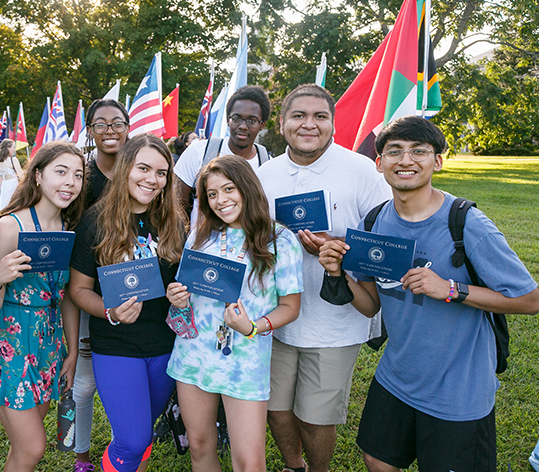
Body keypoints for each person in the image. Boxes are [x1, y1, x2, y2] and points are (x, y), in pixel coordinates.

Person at [318, 115, 539, 471]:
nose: (406, 160)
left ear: (437, 161)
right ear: (380, 163)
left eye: (418, 151)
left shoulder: (466, 222)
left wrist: (450, 289)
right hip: (397, 376)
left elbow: (531, 300)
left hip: (459, 389)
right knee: (377, 459)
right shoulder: (374, 222)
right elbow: (370, 305)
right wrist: (338, 273)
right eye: (395, 152)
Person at [256, 84, 391, 472]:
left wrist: (338, 246)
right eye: (298, 116)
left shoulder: (361, 170)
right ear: (282, 124)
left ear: (333, 123)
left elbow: (386, 239)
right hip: (275, 316)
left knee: (316, 416)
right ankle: (293, 466)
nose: (308, 124)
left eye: (320, 116)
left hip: (336, 318)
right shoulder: (265, 175)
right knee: (276, 409)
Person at [165, 155, 303, 472]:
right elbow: (185, 304)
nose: (221, 200)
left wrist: (252, 326)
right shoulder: (200, 236)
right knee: (200, 446)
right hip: (194, 355)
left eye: (228, 189)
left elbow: (291, 307)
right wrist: (179, 300)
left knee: (249, 462)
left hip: (245, 359)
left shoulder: (280, 240)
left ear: (247, 188)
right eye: (211, 194)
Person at [68, 134, 185, 472]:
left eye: (161, 173)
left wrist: (181, 292)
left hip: (165, 343)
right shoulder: (95, 221)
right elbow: (78, 290)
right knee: (133, 439)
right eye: (143, 168)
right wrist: (111, 311)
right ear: (125, 168)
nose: (152, 179)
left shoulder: (173, 221)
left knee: (141, 435)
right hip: (116, 343)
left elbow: (181, 279)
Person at [0, 141, 85, 471]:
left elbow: (67, 297)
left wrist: (71, 352)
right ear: (37, 176)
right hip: (9, 346)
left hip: (47, 347)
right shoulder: (8, 228)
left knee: (22, 449)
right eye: (61, 172)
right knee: (33, 448)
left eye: (77, 175)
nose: (70, 183)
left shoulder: (68, 231)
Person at [73, 98, 130, 472]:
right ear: (90, 131)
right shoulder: (81, 177)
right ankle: (81, 455)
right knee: (85, 381)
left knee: (121, 376)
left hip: (132, 289)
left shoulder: (138, 171)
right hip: (87, 286)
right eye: (100, 124)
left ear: (129, 127)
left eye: (117, 123)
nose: (110, 130)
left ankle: (123, 440)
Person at [174, 85, 271, 224]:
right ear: (227, 120)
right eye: (236, 118)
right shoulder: (199, 152)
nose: (243, 126)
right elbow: (176, 207)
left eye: (252, 120)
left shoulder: (267, 163)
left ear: (262, 125)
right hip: (200, 244)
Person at [0, 138, 22, 210]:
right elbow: (21, 176)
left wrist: (3, 191)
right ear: (8, 148)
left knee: (5, 207)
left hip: (4, 186)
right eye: (13, 147)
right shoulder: (13, 160)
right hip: (14, 185)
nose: (15, 150)